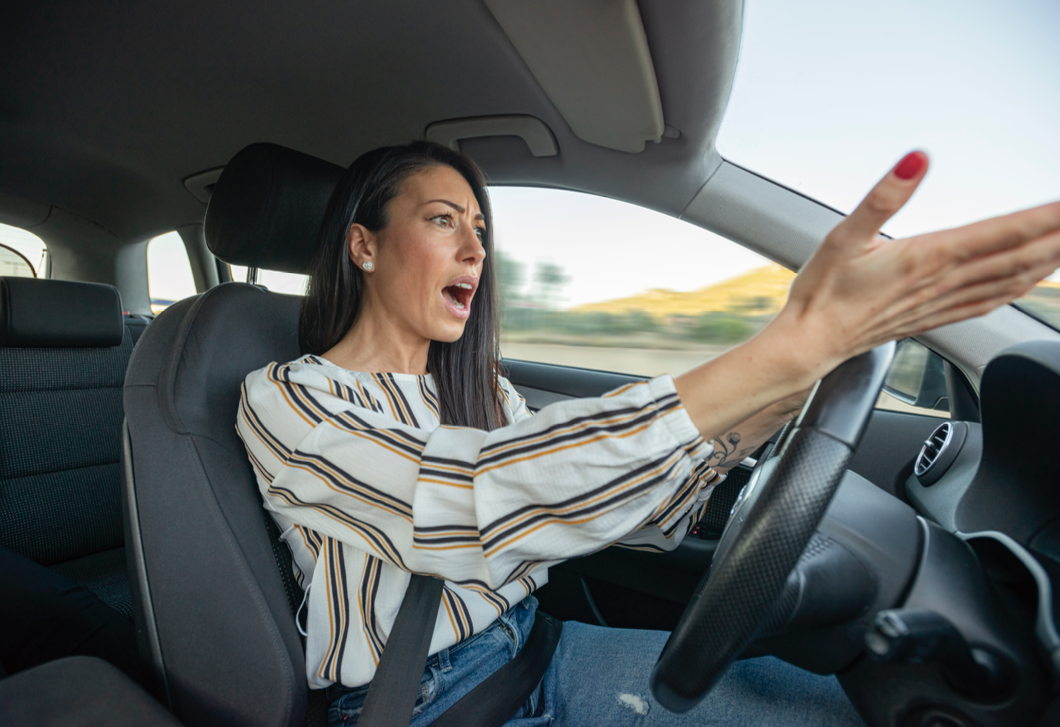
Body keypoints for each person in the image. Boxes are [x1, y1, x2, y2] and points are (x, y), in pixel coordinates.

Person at [236, 141, 1060, 726]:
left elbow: (631, 516)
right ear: (364, 245)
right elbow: (474, 498)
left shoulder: (474, 385)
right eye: (445, 220)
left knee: (822, 703)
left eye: (481, 230)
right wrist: (777, 348)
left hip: (535, 650)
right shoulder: (289, 397)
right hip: (426, 698)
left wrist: (774, 401)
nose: (475, 248)